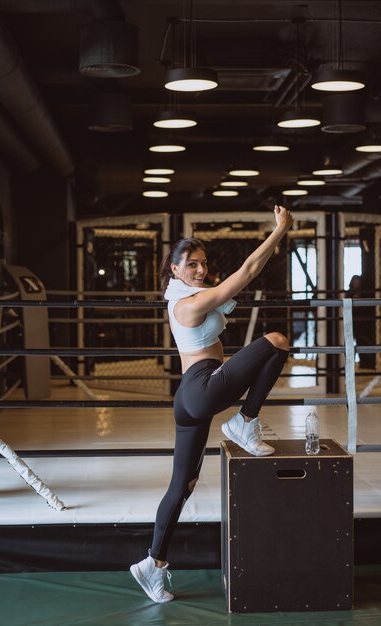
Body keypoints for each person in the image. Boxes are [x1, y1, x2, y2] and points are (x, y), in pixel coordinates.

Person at [130, 205, 293, 603]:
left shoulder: (186, 296)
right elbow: (249, 271)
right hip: (200, 388)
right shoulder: (189, 304)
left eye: (203, 263)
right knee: (276, 342)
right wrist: (280, 230)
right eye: (192, 265)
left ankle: (153, 563)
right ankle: (245, 421)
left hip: (190, 396)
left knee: (183, 484)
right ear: (174, 269)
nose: (200, 270)